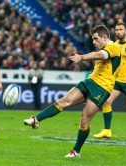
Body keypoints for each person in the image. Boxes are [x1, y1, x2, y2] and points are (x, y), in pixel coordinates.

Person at [24, 25, 120, 157]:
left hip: (102, 88)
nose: (94, 42)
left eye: (96, 39)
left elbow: (100, 55)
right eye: (92, 39)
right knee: (64, 101)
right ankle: (36, 119)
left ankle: (76, 151)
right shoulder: (104, 47)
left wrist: (82, 57)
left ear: (105, 37)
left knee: (85, 119)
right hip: (89, 81)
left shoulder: (113, 47)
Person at [93, 22, 126, 140]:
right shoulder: (114, 45)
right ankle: (107, 130)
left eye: (121, 29)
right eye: (116, 30)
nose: (118, 32)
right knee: (106, 102)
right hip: (116, 81)